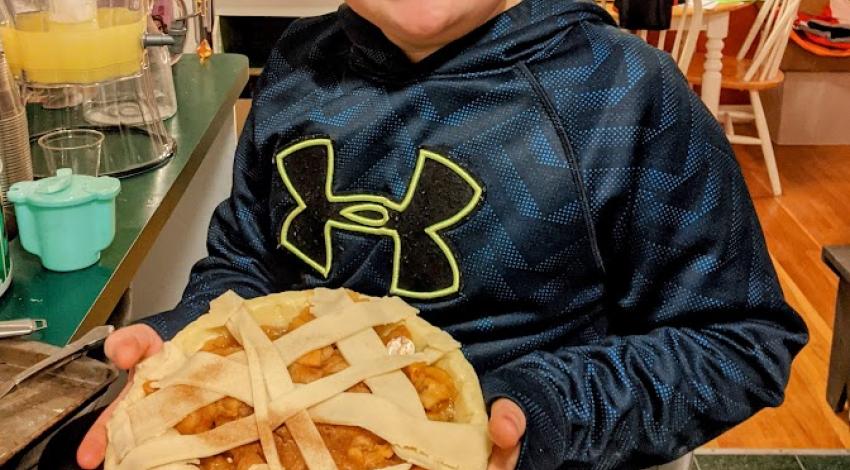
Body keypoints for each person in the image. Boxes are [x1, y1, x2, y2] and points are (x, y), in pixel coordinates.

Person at [77, 0, 809, 469]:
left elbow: (737, 340)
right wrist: (195, 337)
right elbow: (248, 261)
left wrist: (548, 408)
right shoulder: (297, 67)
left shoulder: (624, 95)